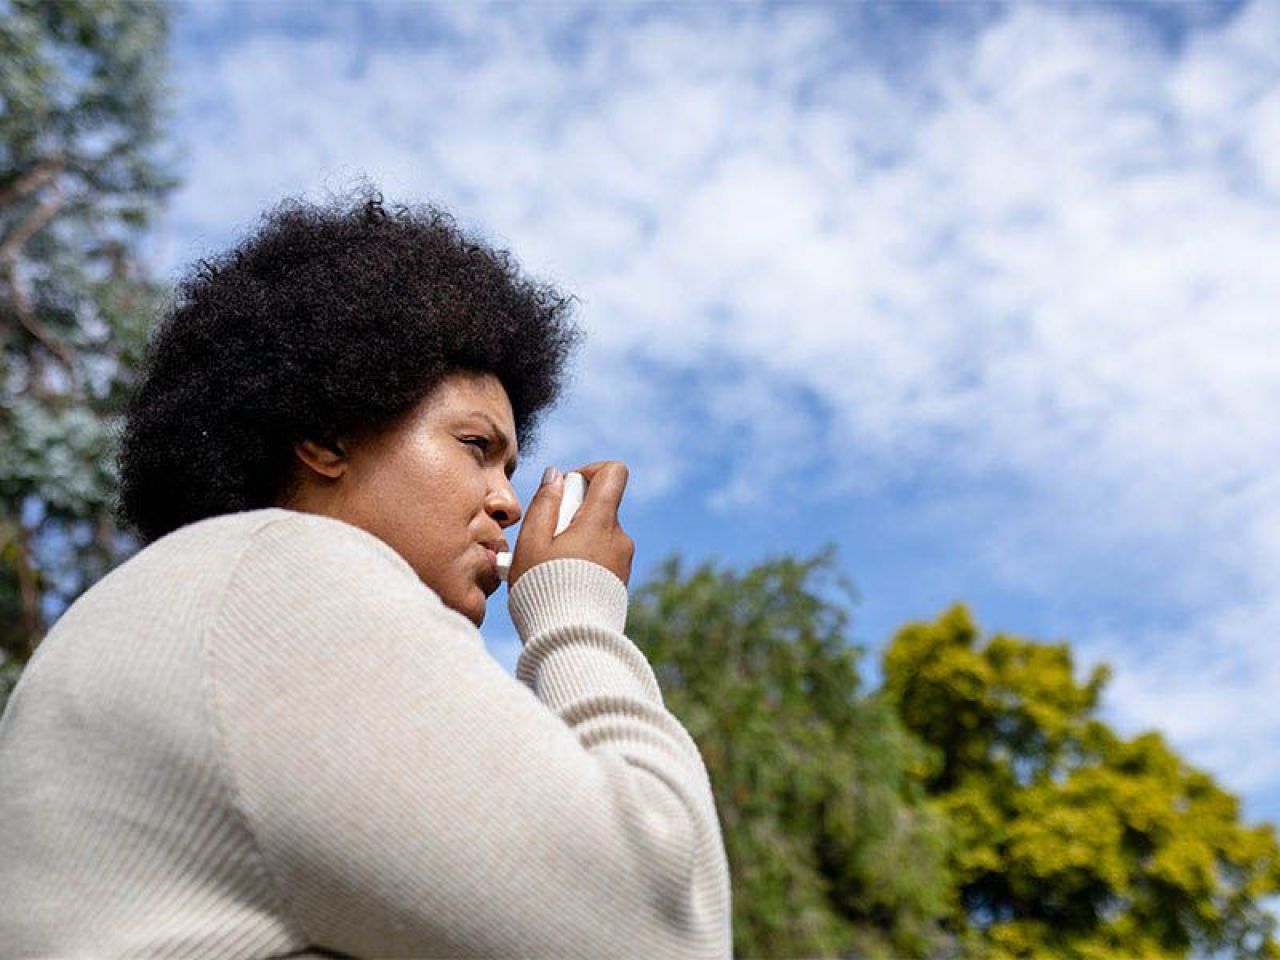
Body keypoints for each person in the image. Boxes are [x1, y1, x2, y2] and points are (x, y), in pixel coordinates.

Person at [0, 193, 732, 959]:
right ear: (328, 432)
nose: (508, 502)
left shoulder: (195, 599)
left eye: (511, 467)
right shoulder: (285, 577)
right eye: (476, 446)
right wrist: (578, 613)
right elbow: (661, 923)